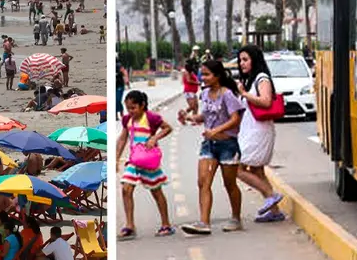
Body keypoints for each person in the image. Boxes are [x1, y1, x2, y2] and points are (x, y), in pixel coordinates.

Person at [178, 59, 245, 235]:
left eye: (207, 74)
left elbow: (235, 119)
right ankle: (204, 222)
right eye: (202, 74)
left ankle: (236, 218)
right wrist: (189, 117)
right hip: (209, 145)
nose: (203, 78)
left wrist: (216, 131)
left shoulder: (227, 94)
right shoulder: (205, 94)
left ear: (218, 76)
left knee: (229, 184)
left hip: (228, 145)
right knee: (203, 182)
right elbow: (205, 116)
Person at [236, 45, 285, 222]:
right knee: (257, 170)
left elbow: (265, 101)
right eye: (240, 60)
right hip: (251, 130)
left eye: (245, 59)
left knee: (237, 168)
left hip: (259, 131)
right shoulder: (250, 80)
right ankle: (274, 211)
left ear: (255, 60)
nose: (241, 63)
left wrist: (243, 94)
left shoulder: (262, 78)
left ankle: (270, 195)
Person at [116, 90, 173, 240]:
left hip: (149, 161)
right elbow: (122, 139)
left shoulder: (151, 118)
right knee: (126, 189)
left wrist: (155, 137)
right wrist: (116, 158)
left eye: (133, 108)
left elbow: (168, 128)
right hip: (134, 160)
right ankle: (129, 225)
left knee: (156, 191)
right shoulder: (127, 120)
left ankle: (166, 224)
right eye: (128, 108)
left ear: (142, 105)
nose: (130, 111)